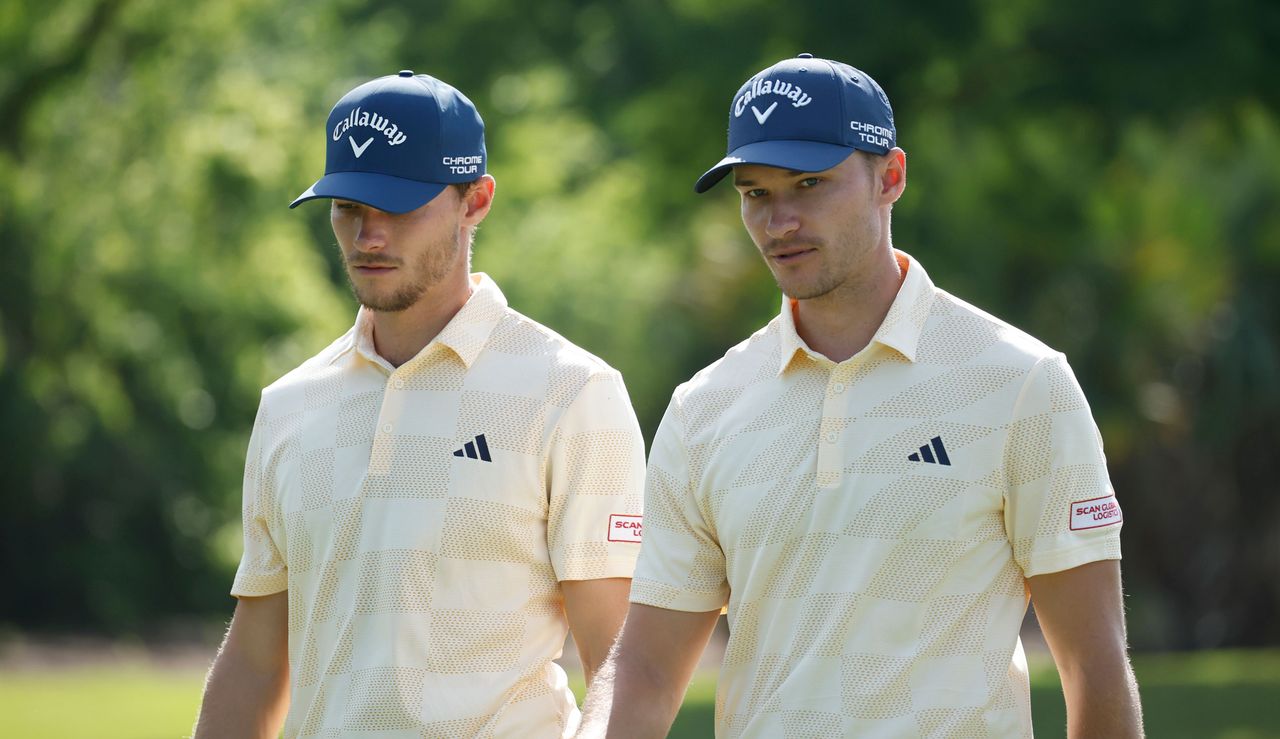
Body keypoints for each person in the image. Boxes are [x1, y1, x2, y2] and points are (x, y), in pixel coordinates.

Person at [582, 54, 1143, 737]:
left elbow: (1094, 664)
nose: (778, 220)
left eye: (810, 183)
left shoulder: (1022, 383)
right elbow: (646, 666)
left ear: (891, 177)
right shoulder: (704, 407)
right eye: (755, 193)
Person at [193, 70, 646, 739]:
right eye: (348, 207)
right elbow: (258, 661)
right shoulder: (289, 405)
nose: (368, 235)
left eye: (397, 207)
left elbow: (623, 662)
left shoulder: (573, 391)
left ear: (477, 200)